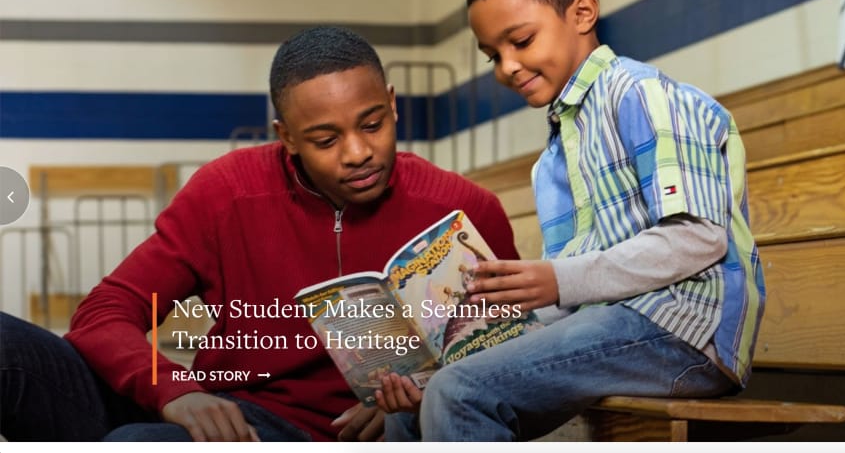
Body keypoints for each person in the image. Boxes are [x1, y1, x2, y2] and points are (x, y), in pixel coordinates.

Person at [0, 26, 519, 442]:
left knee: (141, 441)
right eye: (325, 138)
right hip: (215, 407)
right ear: (286, 136)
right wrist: (174, 389)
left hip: (305, 433)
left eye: (372, 123)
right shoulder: (226, 192)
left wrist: (420, 403)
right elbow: (105, 313)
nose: (358, 152)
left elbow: (508, 364)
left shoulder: (465, 210)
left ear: (392, 102)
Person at [378, 0, 766, 441]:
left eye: (521, 41)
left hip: (681, 332)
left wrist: (559, 280)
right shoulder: (554, 158)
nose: (507, 67)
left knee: (460, 392)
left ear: (582, 13)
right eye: (494, 55)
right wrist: (492, 326)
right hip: (611, 329)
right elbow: (573, 291)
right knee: (419, 399)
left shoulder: (644, 96)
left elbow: (699, 237)